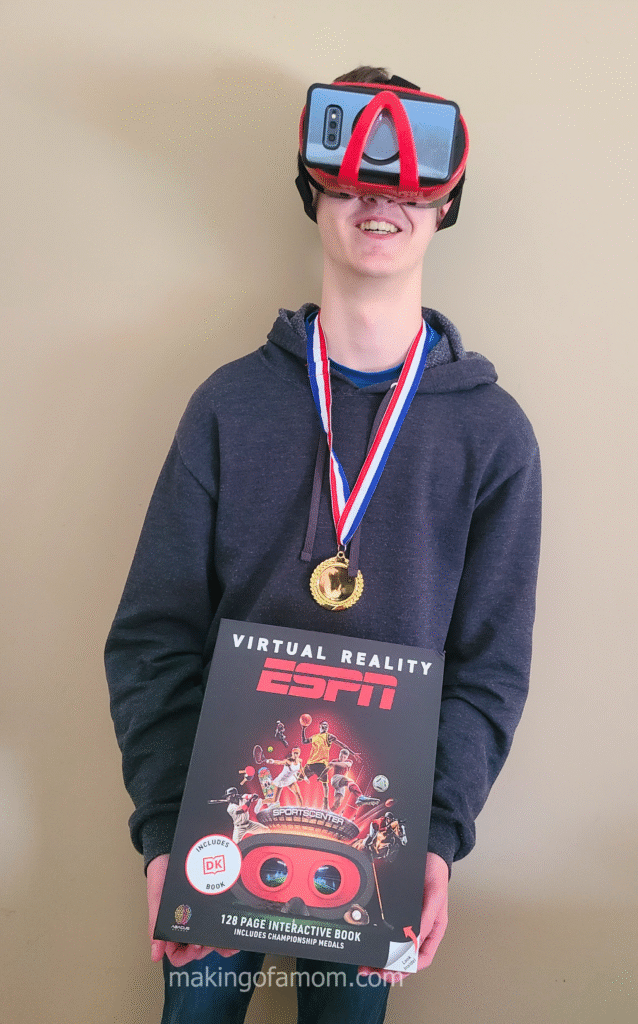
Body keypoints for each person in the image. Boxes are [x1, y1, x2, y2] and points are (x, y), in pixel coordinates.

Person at [105, 65, 541, 1024]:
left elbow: (490, 667)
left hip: (384, 837)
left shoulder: (493, 434)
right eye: (350, 179)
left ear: (445, 201)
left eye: (407, 184)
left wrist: (437, 834)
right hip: (216, 828)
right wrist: (166, 829)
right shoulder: (230, 404)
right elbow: (153, 635)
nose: (379, 199)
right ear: (313, 192)